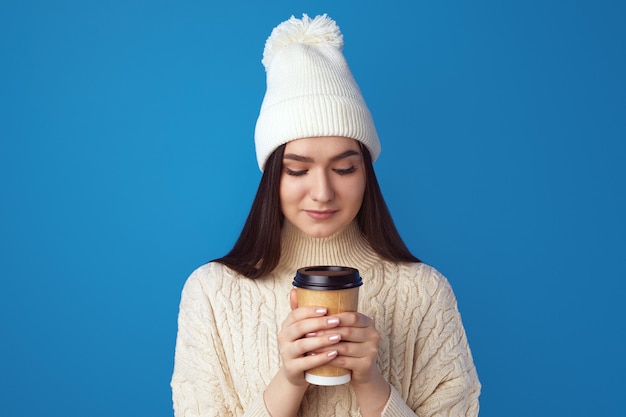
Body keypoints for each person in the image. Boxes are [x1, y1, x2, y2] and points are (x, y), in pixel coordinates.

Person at [171, 13, 480, 417]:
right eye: (297, 170)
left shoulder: (424, 292)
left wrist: (372, 383)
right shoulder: (213, 292)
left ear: (366, 172)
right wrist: (288, 381)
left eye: (344, 168)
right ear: (272, 178)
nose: (322, 192)